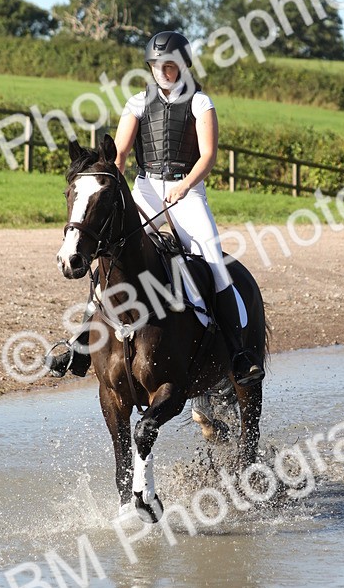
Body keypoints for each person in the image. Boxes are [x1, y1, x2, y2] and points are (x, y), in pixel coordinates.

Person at [46, 30, 264, 386]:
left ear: (183, 65)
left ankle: (239, 354)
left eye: (169, 65)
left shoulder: (200, 103)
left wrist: (185, 185)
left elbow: (208, 156)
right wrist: (105, 182)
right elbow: (118, 155)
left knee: (213, 262)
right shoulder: (137, 103)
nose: (162, 71)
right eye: (156, 65)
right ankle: (83, 344)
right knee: (109, 255)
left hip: (187, 191)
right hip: (146, 189)